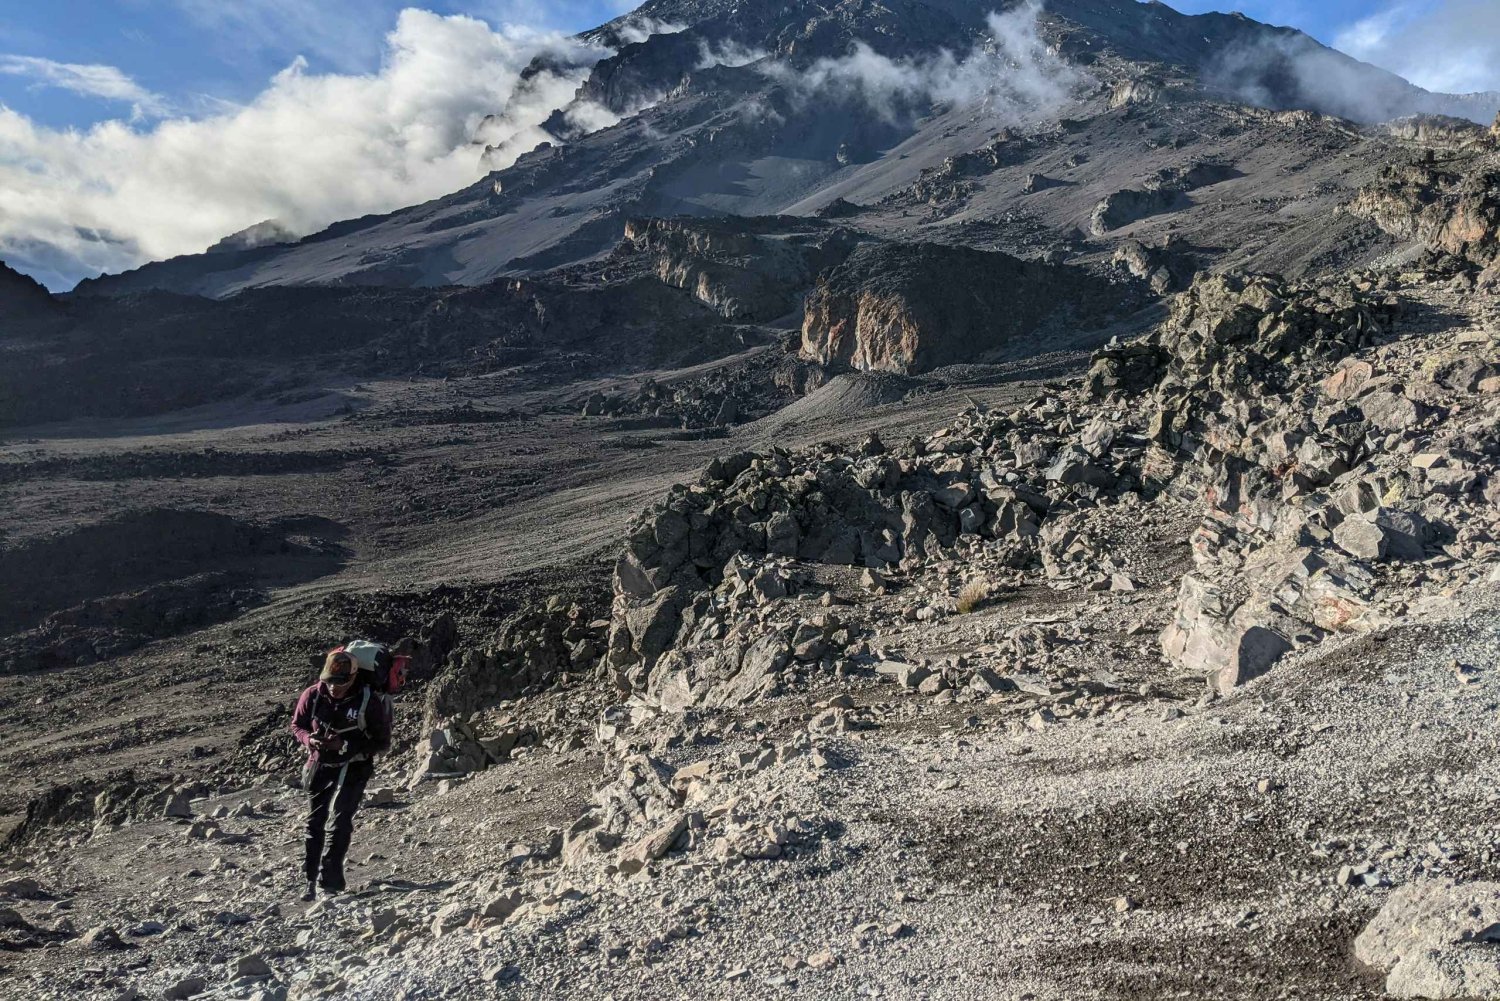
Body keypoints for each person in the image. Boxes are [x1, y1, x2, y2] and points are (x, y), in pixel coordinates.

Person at [289, 647, 392, 901]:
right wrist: (310, 740)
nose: (334, 688)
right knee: (315, 821)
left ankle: (331, 883)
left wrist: (345, 745)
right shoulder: (313, 695)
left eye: (341, 682)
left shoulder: (367, 700)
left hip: (355, 766)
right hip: (320, 762)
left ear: (354, 677)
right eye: (330, 681)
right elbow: (298, 725)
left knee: (340, 820)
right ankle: (309, 881)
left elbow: (382, 741)